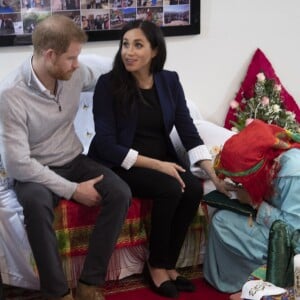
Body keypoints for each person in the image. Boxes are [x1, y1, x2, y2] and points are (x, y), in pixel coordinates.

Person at [88, 20, 231, 298]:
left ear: (154, 51)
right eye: (125, 44)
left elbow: (188, 131)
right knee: (170, 187)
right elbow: (105, 143)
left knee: (191, 188)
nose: (128, 51)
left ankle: (168, 263)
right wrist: (159, 165)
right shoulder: (108, 84)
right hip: (122, 162)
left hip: (161, 159)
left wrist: (214, 176)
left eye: (138, 45)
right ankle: (154, 265)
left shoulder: (169, 81)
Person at [0, 15, 131, 300]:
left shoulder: (74, 73)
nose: (77, 64)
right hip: (34, 169)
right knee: (35, 203)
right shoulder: (10, 94)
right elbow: (16, 164)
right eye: (72, 58)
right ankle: (57, 293)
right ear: (49, 55)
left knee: (120, 192)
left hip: (74, 160)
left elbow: (112, 70)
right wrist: (73, 191)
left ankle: (89, 284)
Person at [203, 119, 300, 293]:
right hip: (277, 225)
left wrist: (253, 203)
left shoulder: (293, 174)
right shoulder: (274, 158)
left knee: (222, 222)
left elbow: (293, 232)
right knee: (222, 217)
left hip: (292, 246)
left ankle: (262, 281)